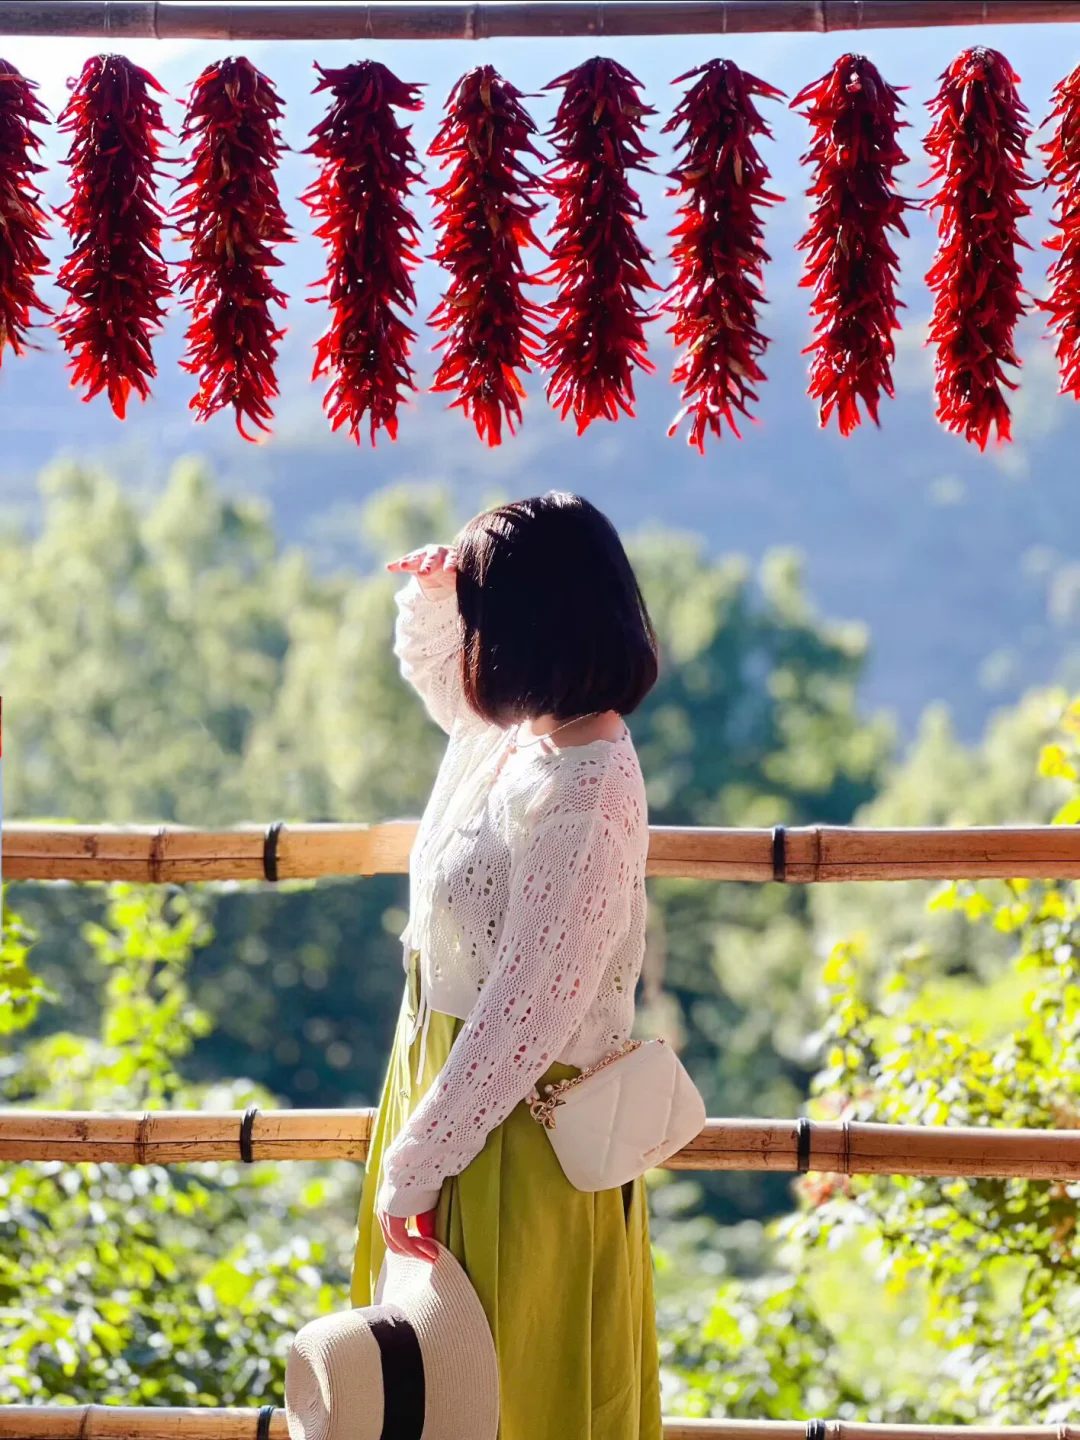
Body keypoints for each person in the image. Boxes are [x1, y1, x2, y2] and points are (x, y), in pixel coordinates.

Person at [351, 491, 663, 1440]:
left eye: (487, 616)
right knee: (429, 1382)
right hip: (451, 1096)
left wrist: (420, 1163)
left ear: (528, 630)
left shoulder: (586, 789)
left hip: (509, 1129)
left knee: (500, 1395)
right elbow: (448, 689)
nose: (473, 640)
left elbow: (531, 1005)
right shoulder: (521, 739)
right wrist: (439, 597)